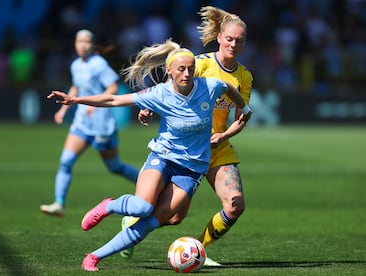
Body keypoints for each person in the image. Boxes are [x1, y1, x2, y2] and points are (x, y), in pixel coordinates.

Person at [47, 39, 252, 271]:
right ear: (169, 71)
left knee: (157, 220)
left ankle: (94, 257)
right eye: (181, 69)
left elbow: (229, 88)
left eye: (191, 69)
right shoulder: (159, 94)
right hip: (163, 157)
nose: (187, 74)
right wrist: (75, 100)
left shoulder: (210, 86)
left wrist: (244, 109)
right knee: (143, 208)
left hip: (192, 170)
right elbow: (114, 99)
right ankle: (110, 206)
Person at [134, 6, 253, 266]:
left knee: (235, 205)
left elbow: (242, 118)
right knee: (173, 217)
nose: (233, 44)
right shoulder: (200, 64)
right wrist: (147, 107)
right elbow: (171, 86)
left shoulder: (244, 77)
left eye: (239, 40)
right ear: (220, 37)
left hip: (217, 146)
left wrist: (223, 136)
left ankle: (199, 249)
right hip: (187, 147)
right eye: (229, 39)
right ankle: (132, 224)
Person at [40, 29, 139, 217]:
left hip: (102, 125)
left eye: (86, 42)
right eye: (79, 41)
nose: (82, 45)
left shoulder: (99, 64)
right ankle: (59, 203)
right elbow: (76, 87)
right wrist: (63, 110)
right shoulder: (76, 64)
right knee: (66, 162)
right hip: (81, 123)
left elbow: (113, 86)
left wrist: (97, 103)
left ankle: (150, 186)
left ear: (93, 45)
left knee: (114, 167)